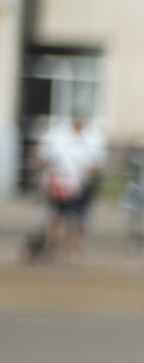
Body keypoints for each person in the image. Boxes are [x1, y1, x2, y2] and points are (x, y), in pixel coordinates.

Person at [30, 108, 107, 263]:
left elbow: (99, 164)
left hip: (82, 185)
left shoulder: (94, 137)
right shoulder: (58, 134)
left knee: (79, 220)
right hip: (59, 184)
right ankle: (54, 250)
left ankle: (74, 253)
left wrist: (88, 174)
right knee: (57, 218)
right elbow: (40, 154)